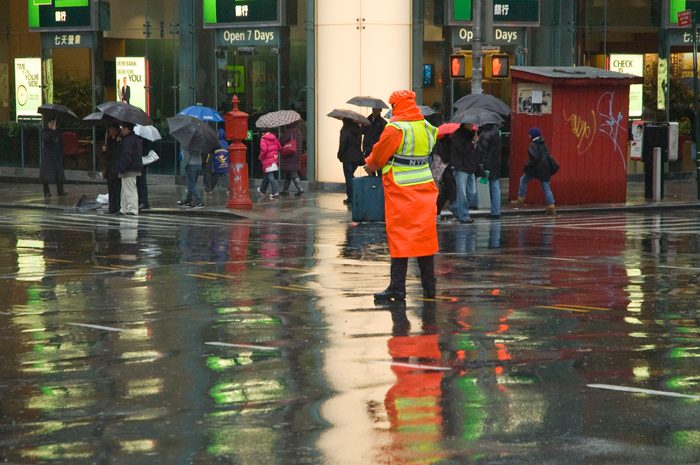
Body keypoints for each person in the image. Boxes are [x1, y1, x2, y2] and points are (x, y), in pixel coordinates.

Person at [363, 89, 440, 300]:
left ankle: (397, 287)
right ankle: (429, 287)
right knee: (424, 239)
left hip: (401, 192)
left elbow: (379, 155)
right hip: (425, 189)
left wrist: (370, 165)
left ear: (396, 106)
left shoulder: (396, 128)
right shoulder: (426, 126)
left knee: (400, 238)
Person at [510, 127, 556, 215]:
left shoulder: (533, 145)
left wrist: (527, 165)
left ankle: (520, 199)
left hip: (535, 169)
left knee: (523, 180)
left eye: (529, 134)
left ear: (533, 135)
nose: (528, 135)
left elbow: (534, 158)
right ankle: (551, 206)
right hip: (545, 169)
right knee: (546, 188)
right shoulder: (543, 143)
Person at [451, 124, 479, 224]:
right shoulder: (457, 135)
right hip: (461, 167)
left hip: (470, 167)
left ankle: (455, 206)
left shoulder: (472, 134)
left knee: (472, 192)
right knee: (462, 193)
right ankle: (464, 216)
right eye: (470, 123)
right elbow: (462, 150)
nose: (472, 125)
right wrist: (472, 142)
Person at [476, 122, 503, 219]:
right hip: (496, 163)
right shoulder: (496, 132)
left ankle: (494, 211)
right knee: (495, 186)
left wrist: (481, 166)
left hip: (488, 163)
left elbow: (482, 151)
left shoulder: (486, 134)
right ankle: (496, 210)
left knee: (490, 186)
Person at [116, 122, 143, 215]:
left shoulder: (128, 140)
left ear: (126, 128)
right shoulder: (134, 139)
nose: (122, 130)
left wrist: (122, 167)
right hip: (132, 167)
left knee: (129, 189)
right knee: (125, 190)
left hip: (129, 168)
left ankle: (132, 209)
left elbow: (127, 155)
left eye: (122, 128)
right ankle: (125, 208)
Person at [338, 117, 364, 204]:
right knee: (351, 176)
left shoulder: (345, 131)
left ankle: (350, 196)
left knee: (348, 177)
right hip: (356, 157)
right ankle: (355, 193)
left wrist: (339, 155)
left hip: (347, 157)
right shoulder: (358, 130)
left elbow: (343, 145)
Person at [39, 118, 67, 197]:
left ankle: (60, 190)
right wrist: (52, 131)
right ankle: (46, 191)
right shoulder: (45, 131)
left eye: (53, 123)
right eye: (50, 123)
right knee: (46, 175)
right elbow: (45, 139)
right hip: (48, 156)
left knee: (59, 174)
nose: (52, 125)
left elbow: (60, 143)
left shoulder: (58, 132)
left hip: (56, 156)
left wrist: (61, 152)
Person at [279, 121, 304, 195]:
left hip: (290, 155)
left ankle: (300, 188)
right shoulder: (298, 131)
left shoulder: (289, 131)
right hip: (295, 154)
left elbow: (282, 141)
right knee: (288, 173)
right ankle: (285, 189)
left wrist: (281, 136)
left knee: (293, 173)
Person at [102, 123, 122, 213]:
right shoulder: (108, 140)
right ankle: (112, 207)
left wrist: (117, 143)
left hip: (116, 167)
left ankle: (117, 206)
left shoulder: (120, 140)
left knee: (117, 189)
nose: (112, 132)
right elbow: (106, 155)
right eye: (110, 130)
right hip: (109, 168)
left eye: (113, 130)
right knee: (111, 189)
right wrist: (104, 151)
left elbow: (115, 153)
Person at [362, 107, 387, 176]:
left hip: (377, 149)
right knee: (370, 172)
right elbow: (362, 131)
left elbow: (385, 136)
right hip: (367, 148)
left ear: (380, 110)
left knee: (379, 171)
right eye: (374, 109)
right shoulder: (367, 120)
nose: (375, 111)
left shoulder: (383, 122)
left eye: (377, 109)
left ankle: (379, 186)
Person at [257, 129, 282, 199]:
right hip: (274, 159)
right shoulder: (274, 138)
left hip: (267, 160)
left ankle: (275, 192)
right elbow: (280, 147)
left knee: (270, 175)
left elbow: (264, 150)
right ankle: (262, 190)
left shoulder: (263, 139)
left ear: (262, 133)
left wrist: (260, 157)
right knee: (267, 175)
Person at [209, 128, 230, 193]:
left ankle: (209, 190)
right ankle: (230, 189)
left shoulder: (215, 143)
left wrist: (212, 164)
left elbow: (212, 153)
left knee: (214, 179)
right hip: (225, 164)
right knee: (227, 178)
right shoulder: (226, 143)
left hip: (217, 165)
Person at [136, 134, 151, 211]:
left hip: (142, 164)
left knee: (142, 183)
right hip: (138, 163)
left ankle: (144, 201)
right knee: (138, 183)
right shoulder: (137, 140)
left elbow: (145, 151)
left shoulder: (145, 141)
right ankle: (140, 200)